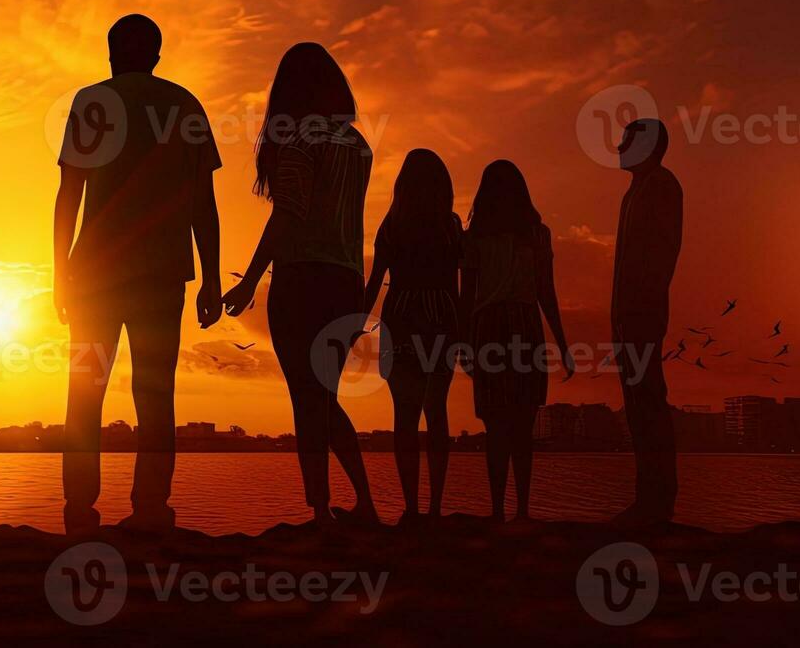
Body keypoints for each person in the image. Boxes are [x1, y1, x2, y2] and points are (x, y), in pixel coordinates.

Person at [54, 14, 223, 535]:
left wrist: (59, 271)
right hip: (162, 271)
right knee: (155, 394)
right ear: (156, 53)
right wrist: (212, 277)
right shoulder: (185, 105)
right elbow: (204, 203)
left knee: (84, 392)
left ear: (111, 53)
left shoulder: (92, 101)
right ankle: (150, 508)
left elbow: (68, 195)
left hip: (95, 273)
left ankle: (79, 510)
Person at [223, 42, 375, 526]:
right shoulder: (358, 145)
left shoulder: (300, 142)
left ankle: (321, 510)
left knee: (306, 399)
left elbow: (289, 215)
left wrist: (248, 281)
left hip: (303, 279)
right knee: (324, 396)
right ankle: (365, 504)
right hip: (348, 280)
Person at [460, 160, 574, 522]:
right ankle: (520, 511)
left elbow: (467, 297)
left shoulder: (475, 236)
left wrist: (463, 343)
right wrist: (563, 343)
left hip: (491, 328)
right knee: (520, 426)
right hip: (523, 327)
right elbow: (546, 293)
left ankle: (500, 511)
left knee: (498, 426)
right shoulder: (536, 234)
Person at [363, 148, 462, 525]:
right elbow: (458, 284)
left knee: (404, 417)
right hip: (440, 318)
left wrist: (356, 322)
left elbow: (375, 283)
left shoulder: (392, 225)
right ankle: (434, 508)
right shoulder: (451, 226)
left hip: (401, 317)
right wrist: (463, 329)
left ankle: (412, 508)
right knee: (436, 412)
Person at [610, 118, 684, 526]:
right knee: (638, 404)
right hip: (626, 315)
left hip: (642, 313)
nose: (619, 147)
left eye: (627, 140)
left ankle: (659, 500)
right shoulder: (635, 191)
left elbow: (659, 257)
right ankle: (647, 499)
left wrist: (638, 308)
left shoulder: (661, 186)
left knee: (649, 401)